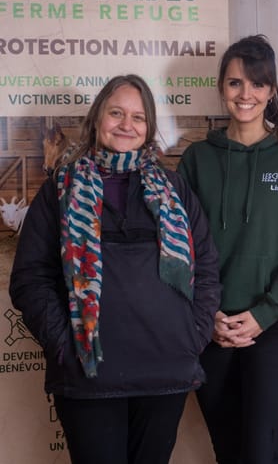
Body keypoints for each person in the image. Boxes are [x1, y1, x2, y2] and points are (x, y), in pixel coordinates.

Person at [9, 74, 222, 464]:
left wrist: (193, 334)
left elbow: (206, 267)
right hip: (87, 374)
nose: (127, 125)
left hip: (165, 370)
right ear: (97, 118)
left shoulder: (174, 190)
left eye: (138, 117)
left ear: (149, 127)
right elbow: (30, 278)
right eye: (117, 113)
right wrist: (65, 344)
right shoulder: (60, 189)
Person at [178, 35, 278, 463]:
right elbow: (180, 250)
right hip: (212, 327)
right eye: (235, 82)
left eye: (258, 84)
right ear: (221, 87)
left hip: (273, 326)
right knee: (227, 451)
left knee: (262, 452)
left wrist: (263, 315)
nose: (246, 94)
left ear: (272, 90)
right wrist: (209, 315)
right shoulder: (196, 159)